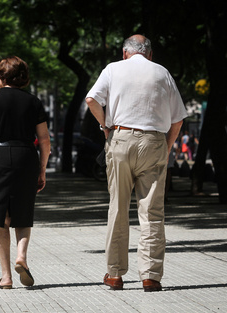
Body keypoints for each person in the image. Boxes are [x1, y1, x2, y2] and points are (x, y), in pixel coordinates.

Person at [86, 34, 187, 292]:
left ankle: (115, 274)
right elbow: (178, 119)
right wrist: (165, 147)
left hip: (120, 138)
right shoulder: (162, 73)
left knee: (118, 207)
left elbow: (91, 99)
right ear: (149, 54)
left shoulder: (113, 69)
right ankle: (151, 276)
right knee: (152, 212)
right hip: (154, 140)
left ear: (125, 53)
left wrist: (105, 126)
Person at [0, 56, 50, 289]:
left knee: (1, 218)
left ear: (2, 77)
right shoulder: (33, 101)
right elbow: (44, 139)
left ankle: (5, 277)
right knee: (23, 212)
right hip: (26, 156)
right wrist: (42, 170)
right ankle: (22, 257)